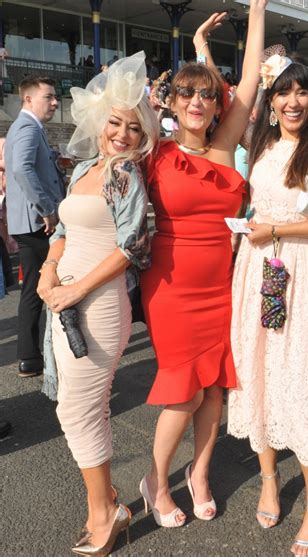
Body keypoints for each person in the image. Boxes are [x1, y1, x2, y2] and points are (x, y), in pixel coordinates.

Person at [140, 1, 267, 529]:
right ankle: (154, 476)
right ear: (170, 101)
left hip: (223, 285)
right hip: (170, 289)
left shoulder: (224, 147)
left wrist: (257, 10)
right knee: (184, 389)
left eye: (207, 94)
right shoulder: (155, 148)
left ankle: (200, 473)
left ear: (220, 104)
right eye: (186, 93)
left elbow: (255, 75)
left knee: (214, 386)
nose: (197, 101)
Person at [228, 51, 308, 556]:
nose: (292, 101)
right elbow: (231, 97)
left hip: (302, 269)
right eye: (282, 91)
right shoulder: (260, 142)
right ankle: (266, 476)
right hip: (259, 270)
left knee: (302, 373)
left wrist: (278, 228)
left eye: (302, 90)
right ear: (271, 96)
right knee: (257, 368)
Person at [37, 52, 160, 555]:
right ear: (99, 122)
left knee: (79, 410)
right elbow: (63, 229)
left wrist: (74, 288)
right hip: (61, 296)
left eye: (134, 127)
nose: (122, 134)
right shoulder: (87, 167)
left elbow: (131, 246)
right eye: (115, 122)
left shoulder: (127, 175)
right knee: (76, 407)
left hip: (99, 303)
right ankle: (106, 502)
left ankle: (106, 511)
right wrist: (48, 273)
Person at [5, 76, 64, 378]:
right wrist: (48, 209)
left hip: (27, 222)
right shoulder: (28, 126)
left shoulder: (25, 126)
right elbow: (21, 168)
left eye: (55, 97)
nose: (55, 102)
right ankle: (33, 355)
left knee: (32, 288)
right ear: (28, 99)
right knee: (44, 285)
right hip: (36, 223)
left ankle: (30, 357)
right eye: (49, 97)